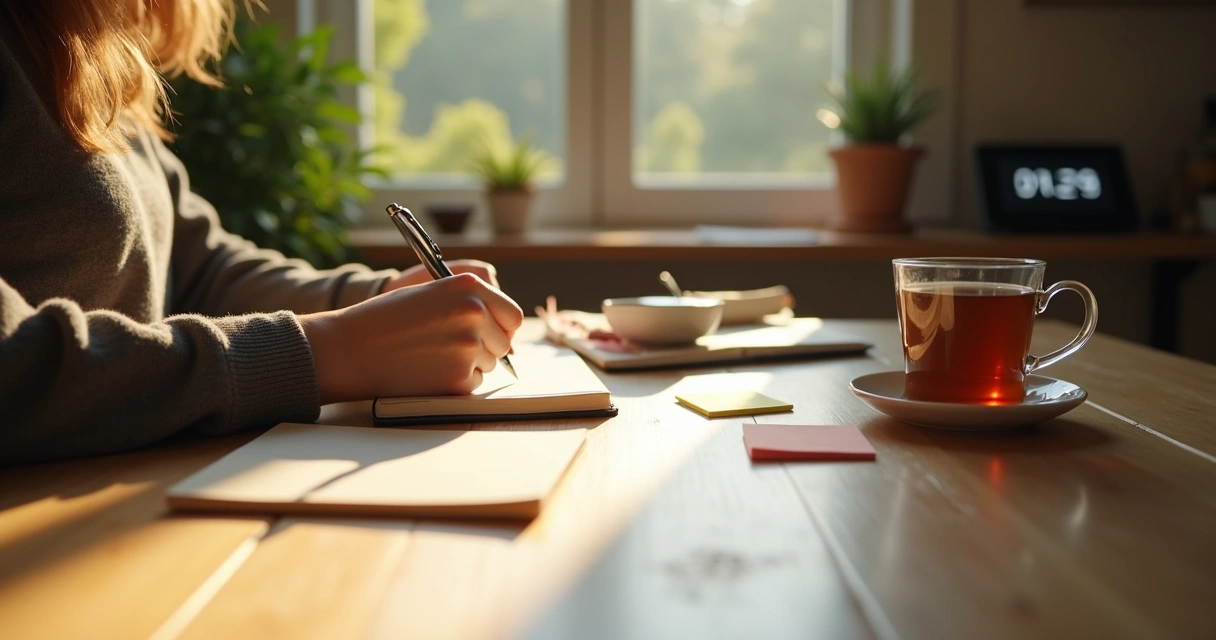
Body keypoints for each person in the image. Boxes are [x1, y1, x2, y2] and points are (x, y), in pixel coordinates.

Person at [0, 0, 525, 466]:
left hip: (128, 483)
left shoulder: (90, 46)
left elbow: (198, 267)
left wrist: (373, 300)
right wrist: (326, 352)